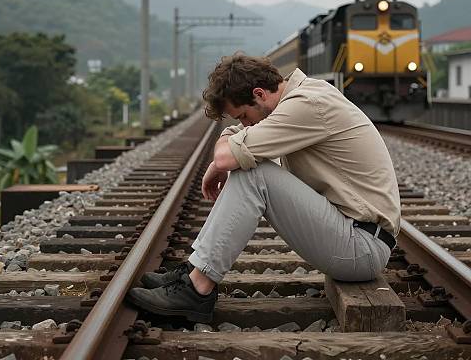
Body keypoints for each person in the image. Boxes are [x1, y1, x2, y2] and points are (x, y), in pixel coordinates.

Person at [127, 54, 400, 323]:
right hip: (351, 234)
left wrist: (220, 162)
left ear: (259, 94)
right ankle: (195, 269)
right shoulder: (299, 98)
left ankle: (197, 288)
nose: (244, 124)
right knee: (249, 164)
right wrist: (229, 145)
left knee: (255, 172)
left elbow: (226, 157)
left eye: (244, 115)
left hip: (363, 248)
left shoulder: (308, 104)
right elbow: (233, 141)